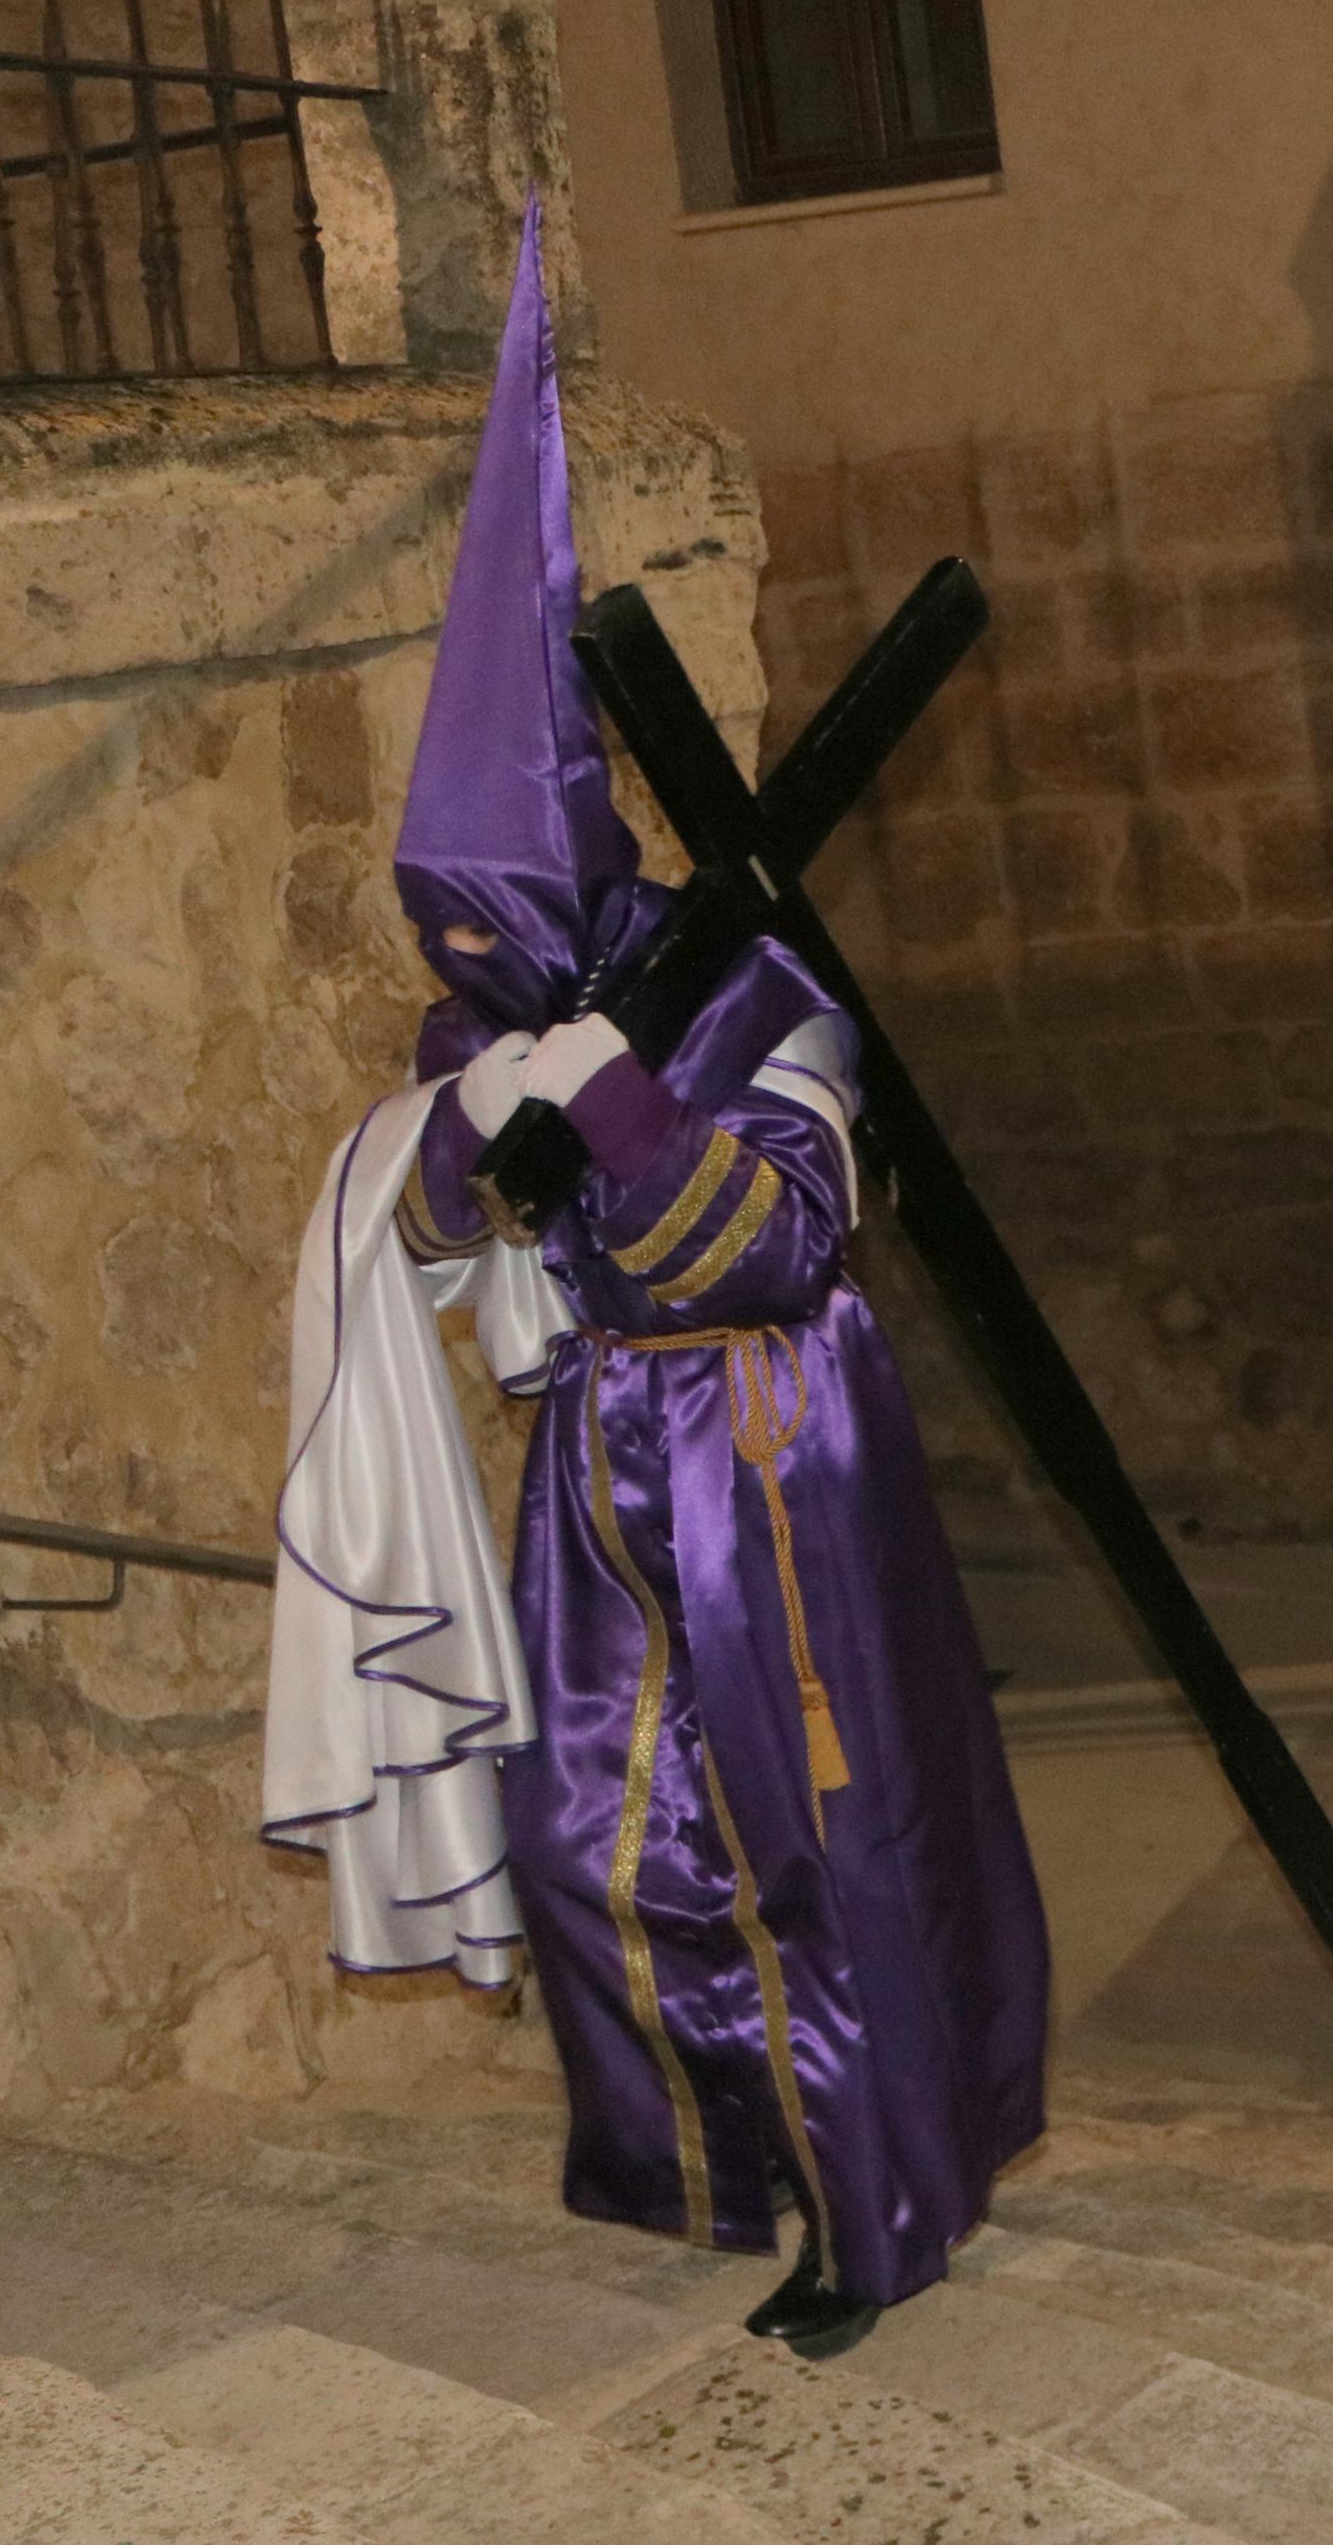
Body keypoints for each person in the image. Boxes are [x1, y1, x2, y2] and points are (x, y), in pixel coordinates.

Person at [263, 213, 1051, 2365]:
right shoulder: (491, 1016)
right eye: (447, 941)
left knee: (817, 1835)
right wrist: (460, 1130)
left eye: (494, 926)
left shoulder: (756, 979)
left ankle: (870, 2205)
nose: (465, 971)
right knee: (599, 1835)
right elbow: (421, 1236)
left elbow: (786, 1233)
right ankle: (713, 2162)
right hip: (602, 1459)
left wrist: (625, 1118)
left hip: (772, 1440)